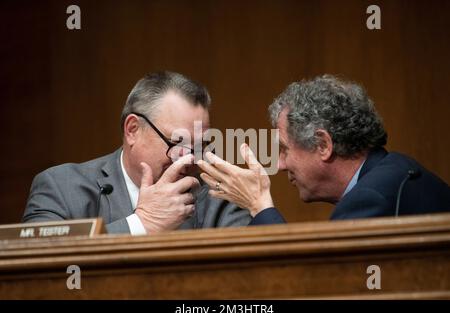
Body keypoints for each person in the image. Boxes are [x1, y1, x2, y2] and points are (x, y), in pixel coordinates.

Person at [198, 75, 450, 224]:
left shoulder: (371, 199)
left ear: (323, 145)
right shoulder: (390, 172)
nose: (281, 164)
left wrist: (259, 206)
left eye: (284, 149)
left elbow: (308, 283)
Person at [23, 71, 251, 234]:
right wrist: (141, 224)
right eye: (177, 142)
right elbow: (38, 264)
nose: (190, 158)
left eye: (199, 146)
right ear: (132, 130)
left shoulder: (219, 197)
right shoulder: (62, 188)